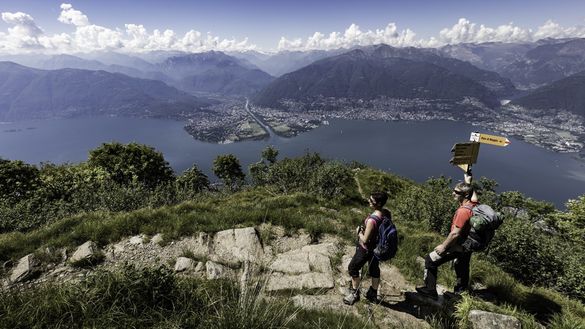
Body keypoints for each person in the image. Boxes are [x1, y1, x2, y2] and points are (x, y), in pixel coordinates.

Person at [416, 173, 477, 300]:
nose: (453, 193)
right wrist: (468, 182)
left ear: (465, 195)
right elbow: (473, 195)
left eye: (456, 192)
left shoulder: (462, 211)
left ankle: (430, 290)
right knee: (462, 267)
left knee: (430, 260)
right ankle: (460, 294)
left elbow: (455, 233)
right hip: (468, 245)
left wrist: (444, 246)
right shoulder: (474, 205)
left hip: (458, 245)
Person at [343, 191, 390, 305]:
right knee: (374, 269)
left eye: (371, 200)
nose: (369, 201)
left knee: (353, 268)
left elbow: (364, 240)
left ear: (377, 203)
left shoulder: (372, 220)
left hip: (366, 249)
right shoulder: (386, 213)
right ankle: (373, 293)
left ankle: (355, 293)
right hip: (377, 248)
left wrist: (359, 232)